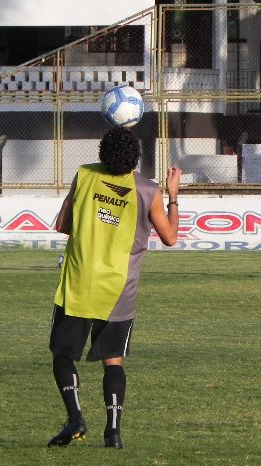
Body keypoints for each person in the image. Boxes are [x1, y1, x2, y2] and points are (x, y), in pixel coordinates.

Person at [47, 126, 182, 449]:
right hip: (119, 290)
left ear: (102, 154)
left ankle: (76, 418)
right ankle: (113, 433)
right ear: (135, 158)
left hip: (79, 283)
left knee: (63, 356)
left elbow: (63, 225)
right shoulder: (149, 191)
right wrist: (173, 195)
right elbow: (171, 237)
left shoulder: (84, 176)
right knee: (114, 361)